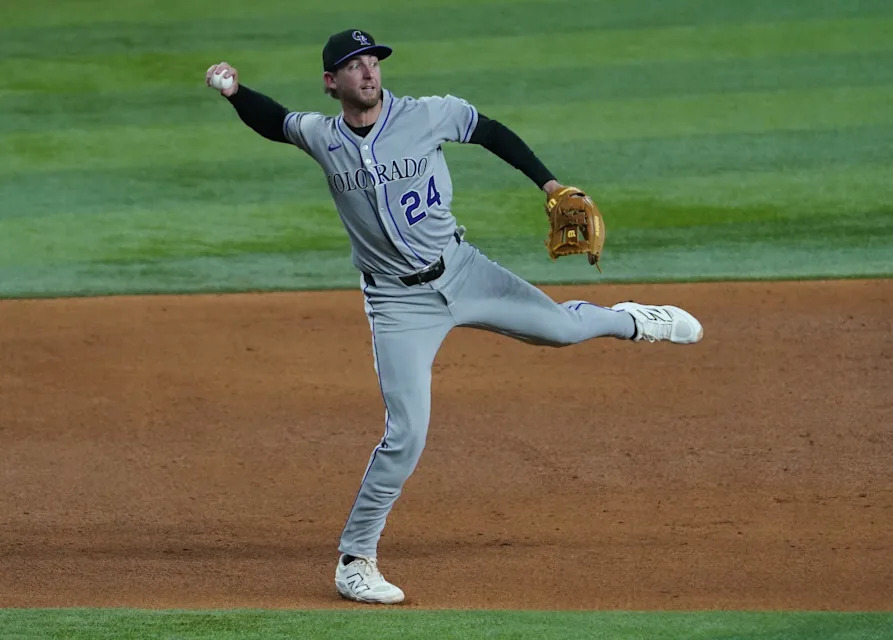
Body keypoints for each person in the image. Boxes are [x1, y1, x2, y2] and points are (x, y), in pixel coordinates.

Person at [205, 28, 703, 605]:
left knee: (564, 330)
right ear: (331, 81)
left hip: (463, 271)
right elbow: (277, 121)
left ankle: (635, 320)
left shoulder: (429, 114)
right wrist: (236, 92)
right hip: (397, 304)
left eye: (374, 62)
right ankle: (355, 560)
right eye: (354, 65)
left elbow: (490, 131)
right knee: (407, 433)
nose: (368, 72)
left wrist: (550, 183)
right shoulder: (323, 136)